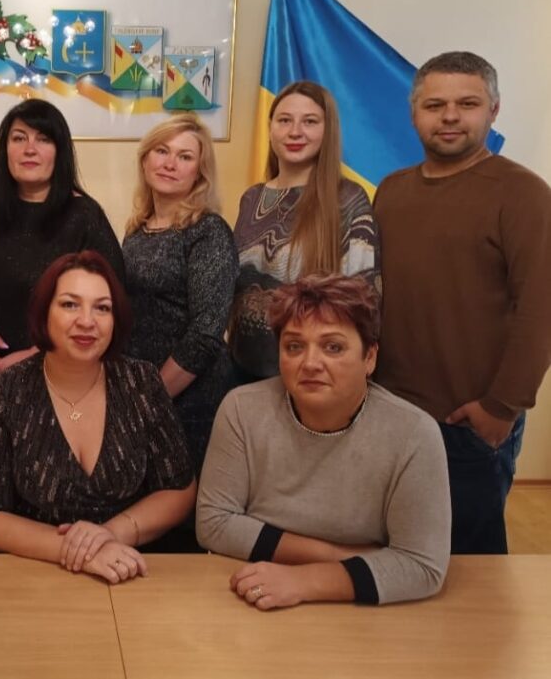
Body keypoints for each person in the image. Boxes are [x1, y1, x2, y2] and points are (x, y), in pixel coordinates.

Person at [374, 51, 551, 555]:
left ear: (493, 110)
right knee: (396, 555)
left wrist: (501, 407)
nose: (450, 116)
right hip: (389, 413)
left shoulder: (524, 194)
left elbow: (540, 309)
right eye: (435, 105)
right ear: (414, 113)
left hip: (468, 422)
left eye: (467, 104)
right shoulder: (391, 192)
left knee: (471, 569)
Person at [197, 275, 451, 609]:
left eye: (333, 347)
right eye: (294, 346)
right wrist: (339, 557)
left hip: (366, 615)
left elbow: (421, 566)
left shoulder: (414, 434)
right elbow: (213, 523)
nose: (310, 363)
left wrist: (304, 581)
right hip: (252, 591)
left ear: (370, 357)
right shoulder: (241, 409)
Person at [0, 251, 195, 584]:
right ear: (44, 313)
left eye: (102, 308)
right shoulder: (6, 392)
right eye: (70, 304)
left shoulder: (141, 382)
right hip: (33, 580)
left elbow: (179, 489)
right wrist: (78, 551)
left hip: (129, 574)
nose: (87, 321)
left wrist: (110, 534)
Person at [0, 99, 125, 377]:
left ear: (60, 151)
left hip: (64, 377)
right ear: (5, 149)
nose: (29, 149)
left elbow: (112, 308)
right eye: (19, 138)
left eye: (43, 139)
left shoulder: (85, 217)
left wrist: (33, 356)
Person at [230, 81, 380, 382]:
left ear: (328, 130)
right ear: (270, 127)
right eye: (284, 120)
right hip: (241, 372)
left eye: (309, 121)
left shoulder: (348, 199)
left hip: (311, 374)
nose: (295, 132)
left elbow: (364, 304)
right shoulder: (252, 198)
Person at [123, 113, 238, 475]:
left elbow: (206, 333)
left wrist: (151, 399)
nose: (170, 163)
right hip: (139, 390)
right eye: (162, 151)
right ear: (145, 159)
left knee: (182, 498)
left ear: (199, 173)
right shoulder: (136, 231)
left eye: (185, 156)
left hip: (189, 398)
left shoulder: (208, 231)